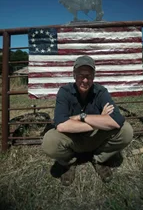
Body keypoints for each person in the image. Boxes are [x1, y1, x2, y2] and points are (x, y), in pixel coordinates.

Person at [42, 55, 133, 186]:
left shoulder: (101, 91)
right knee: (49, 141)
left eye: (89, 76)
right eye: (80, 75)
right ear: (74, 75)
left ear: (94, 76)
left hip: (96, 137)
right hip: (72, 138)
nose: (85, 80)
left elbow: (117, 120)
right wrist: (100, 121)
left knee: (126, 131)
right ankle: (69, 162)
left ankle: (99, 159)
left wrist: (80, 117)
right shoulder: (64, 92)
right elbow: (61, 125)